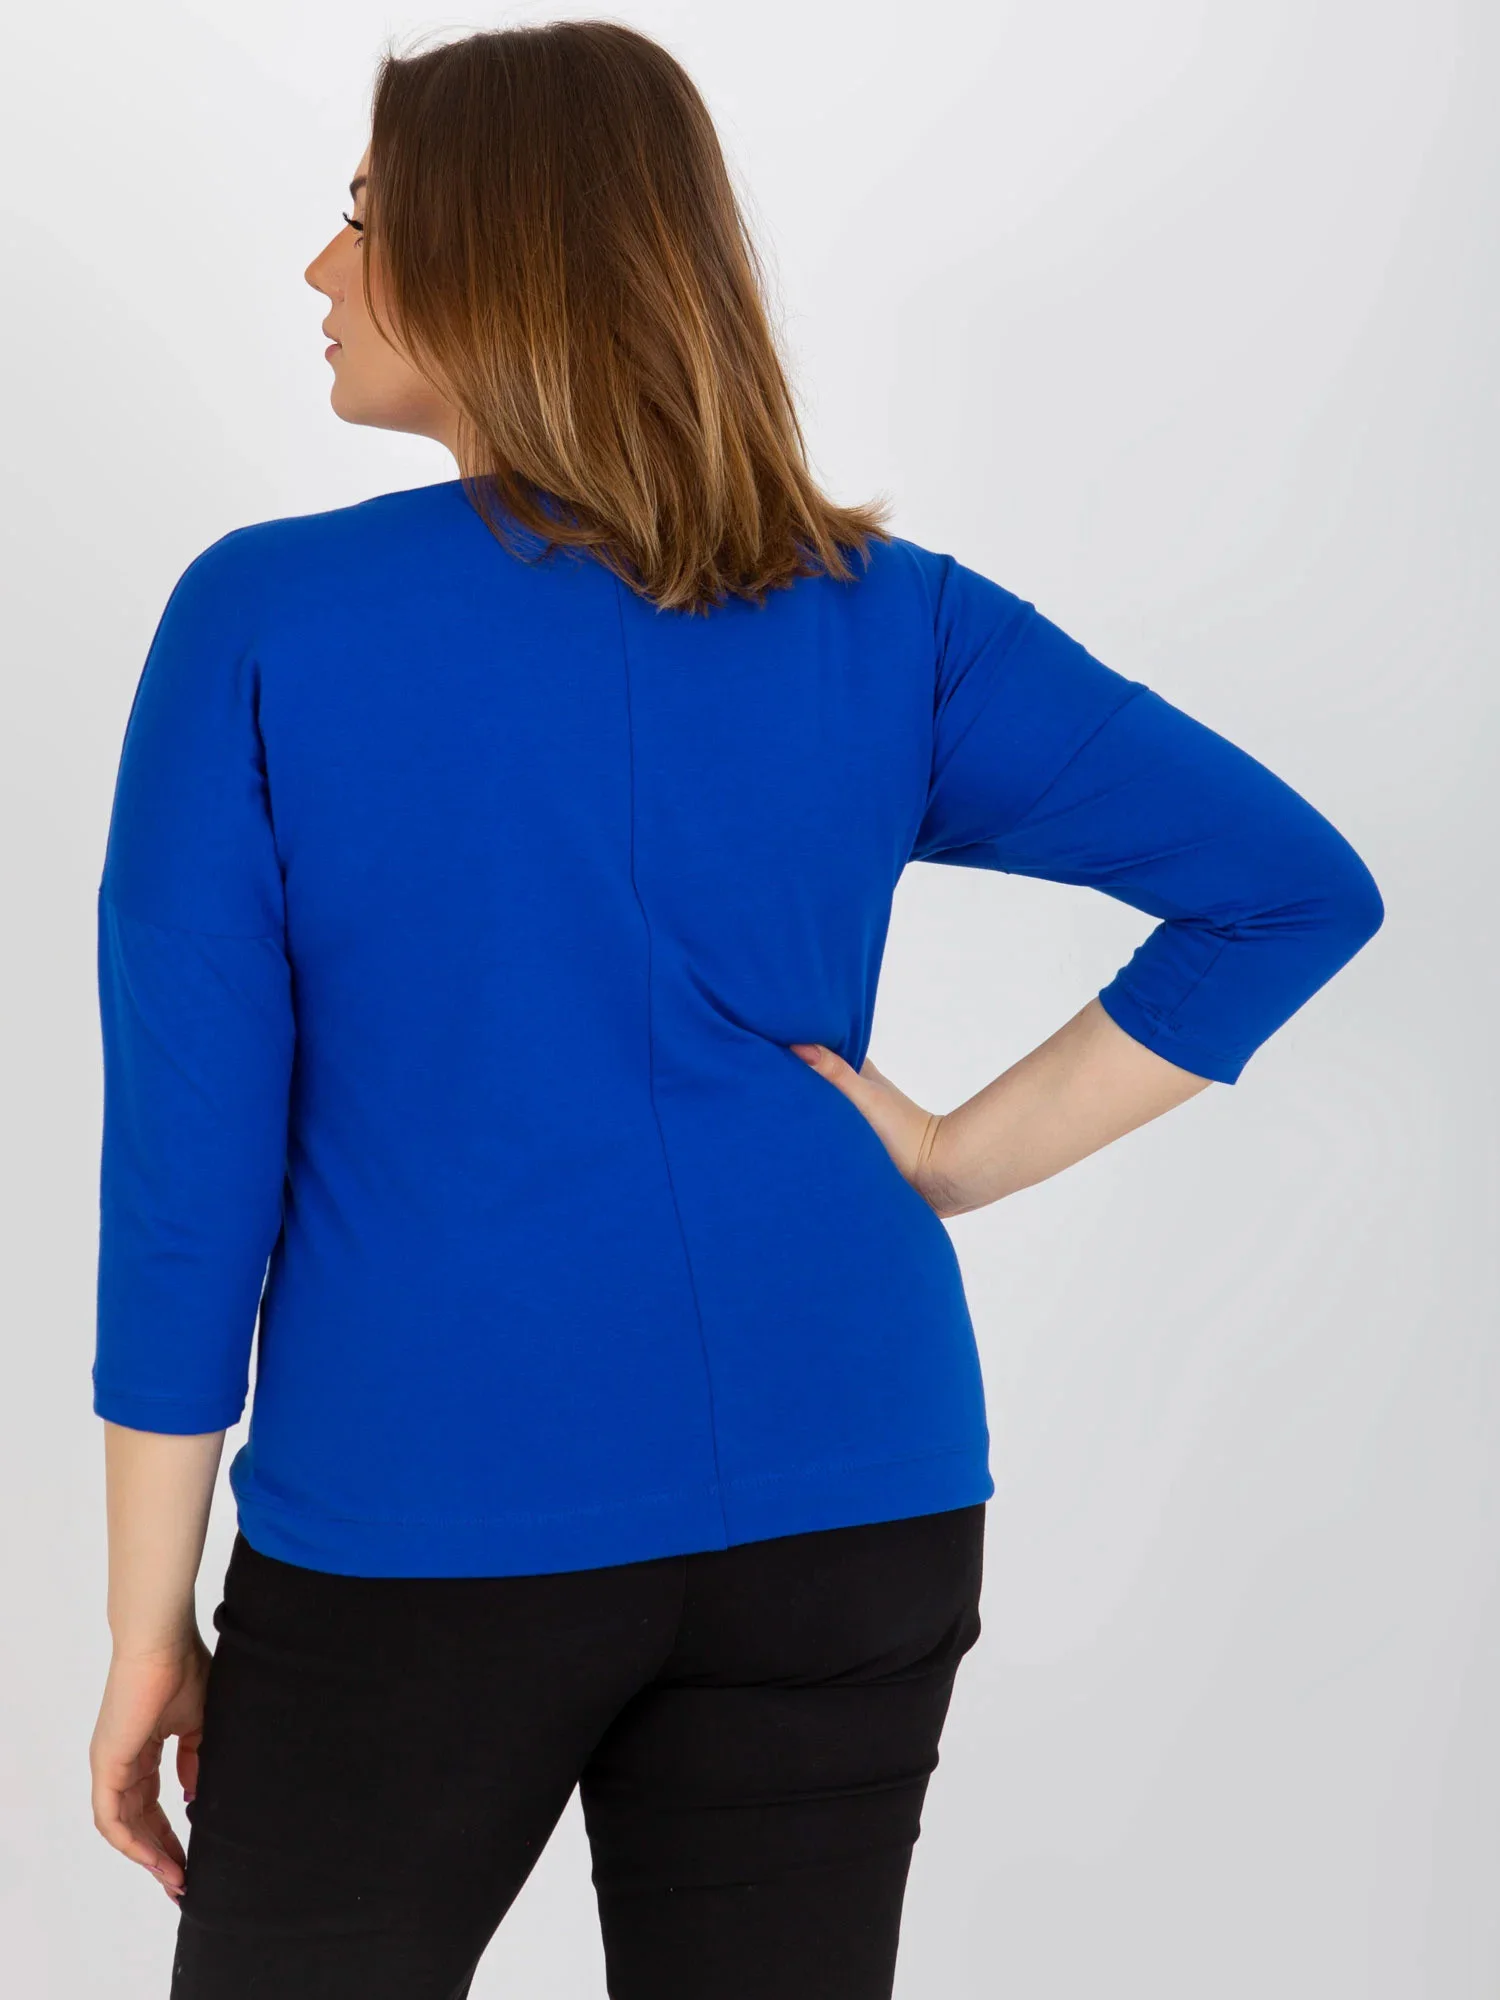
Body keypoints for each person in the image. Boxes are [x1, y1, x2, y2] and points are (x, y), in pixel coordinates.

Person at [85, 20, 1385, 2000]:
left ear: (500, 246)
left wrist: (144, 1626)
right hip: (856, 1483)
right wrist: (950, 1161)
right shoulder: (888, 613)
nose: (321, 264)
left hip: (435, 1513)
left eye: (364, 213)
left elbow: (192, 1178)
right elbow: (1289, 886)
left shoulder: (262, 619)